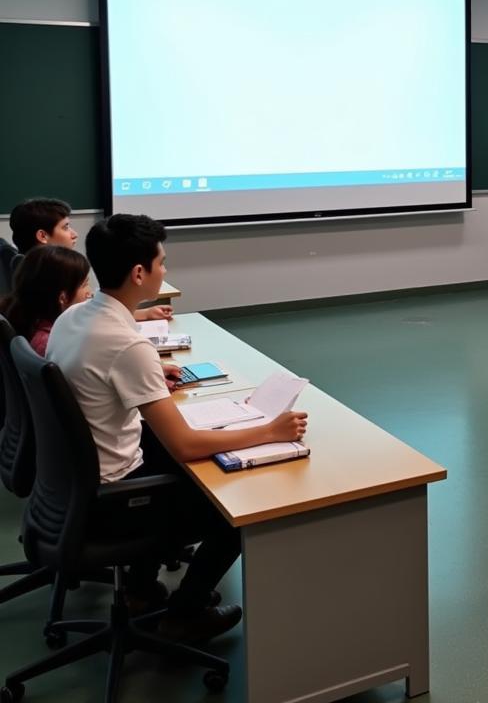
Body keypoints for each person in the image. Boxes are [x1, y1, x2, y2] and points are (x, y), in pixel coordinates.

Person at [46, 213, 309, 642]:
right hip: (110, 500)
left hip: (75, 484)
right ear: (139, 273)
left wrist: (150, 376)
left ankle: (140, 590)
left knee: (165, 448)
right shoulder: (128, 344)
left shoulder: (74, 317)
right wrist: (269, 432)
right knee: (234, 502)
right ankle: (184, 614)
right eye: (162, 262)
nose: (165, 270)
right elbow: (186, 445)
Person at [9, 197, 173, 322]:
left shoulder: (31, 269)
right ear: (42, 235)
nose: (74, 234)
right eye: (65, 227)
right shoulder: (51, 276)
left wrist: (143, 313)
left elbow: (90, 311)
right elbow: (88, 313)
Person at [0, 245, 92, 355]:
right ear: (63, 297)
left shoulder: (30, 321)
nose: (90, 293)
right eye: (85, 284)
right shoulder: (50, 345)